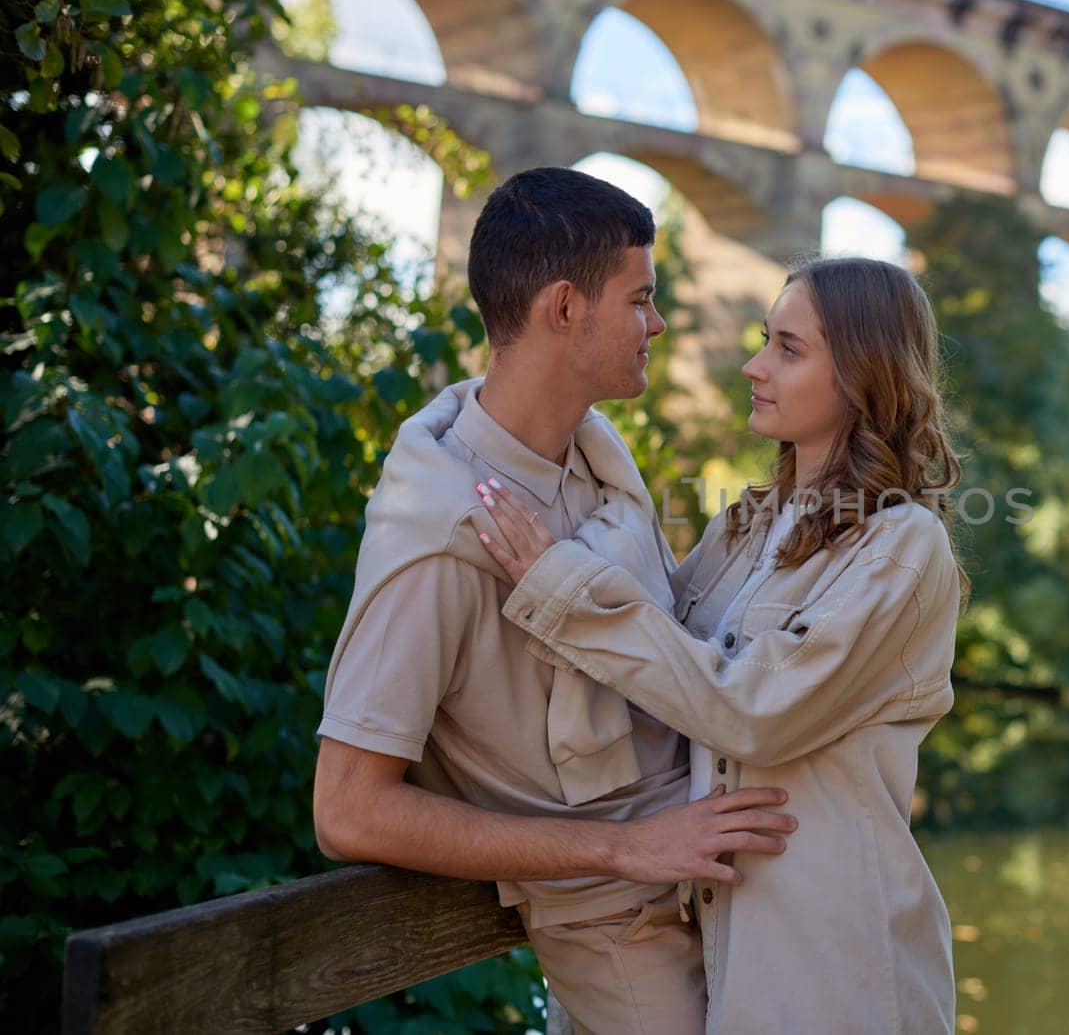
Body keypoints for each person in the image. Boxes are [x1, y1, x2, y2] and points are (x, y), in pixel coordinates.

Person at [311, 167, 796, 1035]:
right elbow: (348, 809)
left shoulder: (593, 455)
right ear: (564, 308)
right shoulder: (443, 534)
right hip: (618, 931)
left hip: (713, 889)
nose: (657, 323)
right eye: (640, 299)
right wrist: (622, 847)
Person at [478, 256, 965, 1033]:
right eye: (764, 341)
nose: (754, 365)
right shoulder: (746, 526)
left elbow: (752, 713)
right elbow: (659, 664)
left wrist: (563, 586)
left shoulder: (901, 547)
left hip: (836, 971)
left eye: (787, 348)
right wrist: (593, 458)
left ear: (861, 375)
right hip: (712, 951)